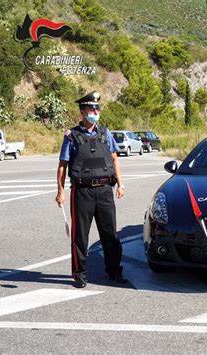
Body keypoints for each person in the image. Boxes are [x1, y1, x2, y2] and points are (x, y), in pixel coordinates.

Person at [55, 91, 127, 288]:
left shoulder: (106, 134)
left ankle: (114, 271)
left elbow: (114, 159)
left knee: (110, 234)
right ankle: (79, 274)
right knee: (80, 236)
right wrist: (60, 190)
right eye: (91, 109)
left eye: (97, 108)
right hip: (82, 191)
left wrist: (120, 184)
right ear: (82, 112)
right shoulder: (72, 136)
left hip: (105, 190)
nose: (95, 111)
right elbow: (63, 164)